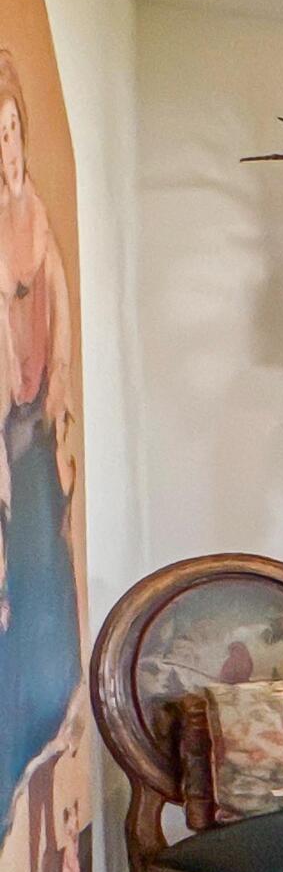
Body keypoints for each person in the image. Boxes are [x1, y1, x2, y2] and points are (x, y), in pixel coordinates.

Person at [0, 45, 83, 823]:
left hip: (33, 438)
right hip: (10, 446)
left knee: (49, 606)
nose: (6, 151)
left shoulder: (34, 220)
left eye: (10, 130)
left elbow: (53, 343)